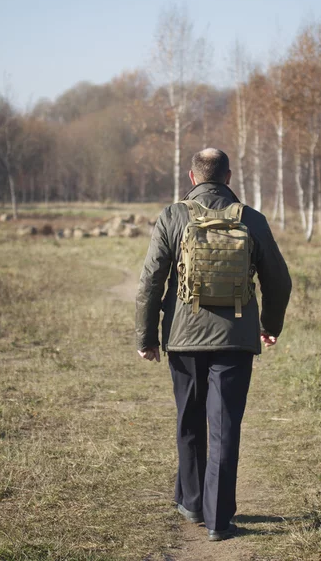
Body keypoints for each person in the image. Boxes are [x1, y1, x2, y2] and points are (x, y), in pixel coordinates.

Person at [135, 148, 291, 542]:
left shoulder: (173, 215)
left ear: (192, 177)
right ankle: (219, 521)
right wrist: (269, 326)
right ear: (229, 176)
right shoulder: (251, 219)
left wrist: (147, 337)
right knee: (224, 428)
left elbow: (151, 281)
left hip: (183, 339)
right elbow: (279, 281)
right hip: (236, 341)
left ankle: (191, 503)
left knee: (189, 419)